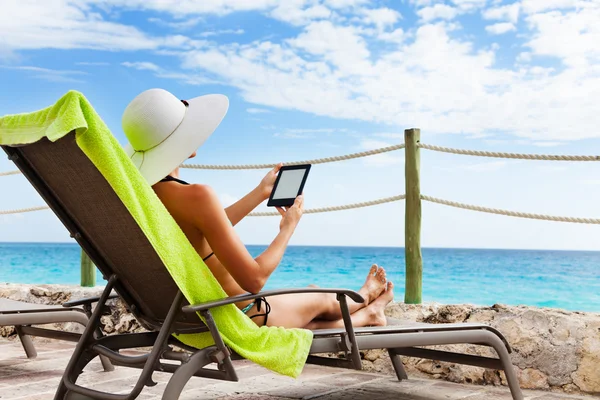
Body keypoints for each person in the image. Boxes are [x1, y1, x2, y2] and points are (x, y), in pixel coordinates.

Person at [122, 88, 394, 329]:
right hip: (245, 315)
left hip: (188, 316)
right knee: (321, 295)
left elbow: (204, 230)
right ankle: (367, 299)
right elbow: (255, 280)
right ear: (185, 140)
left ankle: (370, 315)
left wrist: (260, 193)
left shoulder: (145, 198)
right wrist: (287, 229)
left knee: (310, 301)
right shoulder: (196, 195)